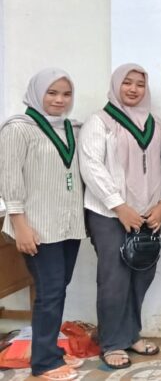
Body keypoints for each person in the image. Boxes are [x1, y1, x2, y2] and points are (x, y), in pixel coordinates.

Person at [79, 64, 161, 369]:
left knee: (142, 275)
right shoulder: (99, 122)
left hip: (148, 214)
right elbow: (91, 167)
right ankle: (111, 343)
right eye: (127, 83)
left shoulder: (157, 125)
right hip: (109, 214)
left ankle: (131, 334)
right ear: (116, 85)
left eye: (140, 84)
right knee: (114, 279)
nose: (133, 89)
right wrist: (119, 206)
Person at [0, 69, 86, 381]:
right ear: (37, 93)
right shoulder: (18, 129)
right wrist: (20, 224)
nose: (59, 100)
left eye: (66, 94)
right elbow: (9, 179)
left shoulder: (71, 128)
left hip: (68, 224)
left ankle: (48, 350)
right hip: (37, 226)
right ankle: (45, 363)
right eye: (52, 93)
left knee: (57, 289)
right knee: (50, 291)